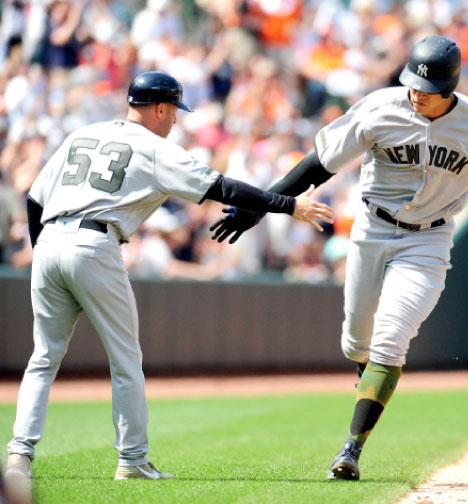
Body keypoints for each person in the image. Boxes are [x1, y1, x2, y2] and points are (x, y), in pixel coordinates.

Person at [210, 35, 468, 480]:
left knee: (391, 337)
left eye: (426, 86)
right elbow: (319, 163)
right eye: (411, 82)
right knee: (354, 341)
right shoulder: (381, 106)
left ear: (449, 87)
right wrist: (261, 206)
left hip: (430, 240)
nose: (415, 92)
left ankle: (351, 449)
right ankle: (373, 373)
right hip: (371, 227)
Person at [4, 71, 334, 482]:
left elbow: (34, 198)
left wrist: (43, 252)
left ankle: (19, 456)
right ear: (159, 107)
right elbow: (223, 188)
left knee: (43, 357)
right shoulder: (155, 149)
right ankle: (133, 459)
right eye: (174, 110)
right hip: (95, 243)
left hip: (51, 239)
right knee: (125, 359)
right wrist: (288, 204)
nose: (176, 119)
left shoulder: (82, 134)